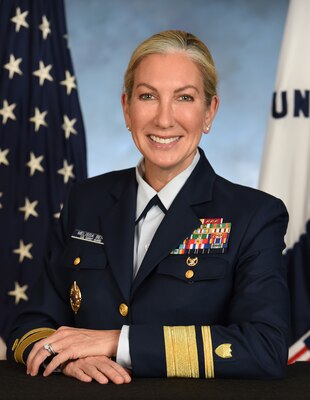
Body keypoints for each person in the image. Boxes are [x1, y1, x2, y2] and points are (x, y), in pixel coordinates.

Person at [7, 30, 289, 384]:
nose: (164, 119)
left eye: (184, 97)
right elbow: (30, 322)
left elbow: (266, 347)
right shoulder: (86, 200)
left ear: (209, 111)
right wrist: (64, 359)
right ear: (127, 108)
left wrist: (116, 343)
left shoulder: (254, 215)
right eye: (147, 96)